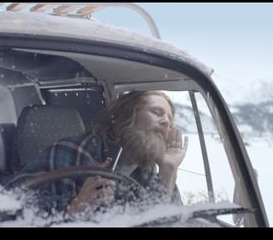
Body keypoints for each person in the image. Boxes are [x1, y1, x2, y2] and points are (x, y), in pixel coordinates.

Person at [22, 90, 188, 215]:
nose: (166, 122)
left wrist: (168, 170)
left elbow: (166, 220)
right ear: (127, 115)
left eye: (170, 119)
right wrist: (73, 206)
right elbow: (13, 201)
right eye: (157, 112)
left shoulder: (147, 171)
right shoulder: (71, 151)